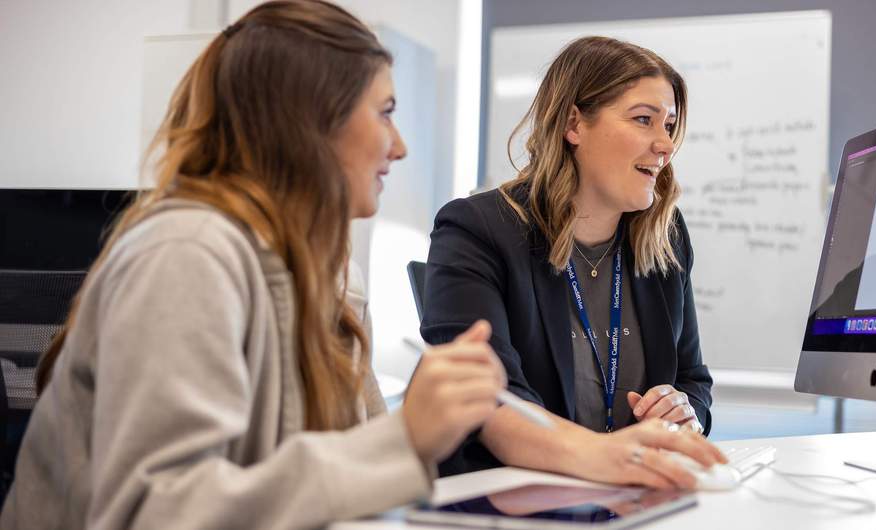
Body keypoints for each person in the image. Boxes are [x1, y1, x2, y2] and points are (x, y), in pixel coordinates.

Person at [0, 1, 507, 528]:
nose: (398, 147)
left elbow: (356, 486)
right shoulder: (188, 255)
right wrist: (403, 440)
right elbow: (154, 512)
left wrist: (408, 442)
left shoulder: (332, 277)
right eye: (385, 112)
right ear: (311, 120)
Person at [422, 36, 726, 487]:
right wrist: (609, 456)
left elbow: (693, 378)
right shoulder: (476, 230)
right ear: (573, 124)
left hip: (633, 497)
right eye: (644, 119)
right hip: (514, 501)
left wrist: (684, 411)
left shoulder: (665, 235)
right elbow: (488, 403)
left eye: (670, 125)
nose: (665, 145)